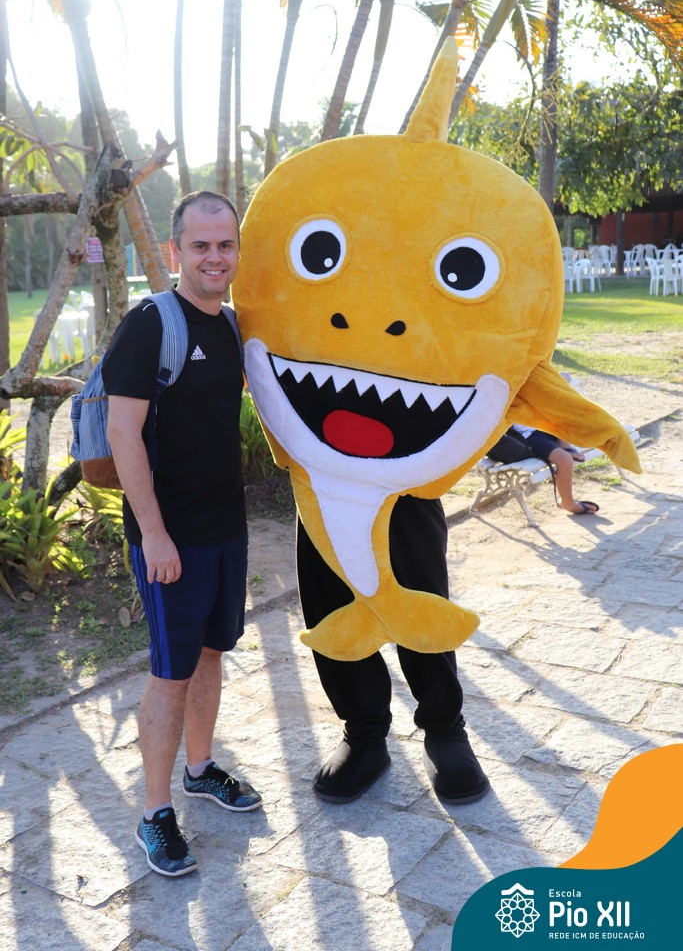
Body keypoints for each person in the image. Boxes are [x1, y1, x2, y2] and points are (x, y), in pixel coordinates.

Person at [104, 190, 261, 879]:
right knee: (169, 674)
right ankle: (154, 812)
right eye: (200, 246)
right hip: (171, 538)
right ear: (176, 252)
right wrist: (154, 535)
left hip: (225, 528)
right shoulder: (150, 324)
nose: (214, 257)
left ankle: (199, 770)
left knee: (210, 655)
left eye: (225, 245)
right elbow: (122, 433)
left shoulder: (229, 326)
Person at [296, 494, 490, 805]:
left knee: (420, 592)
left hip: (405, 477)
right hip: (319, 478)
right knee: (331, 603)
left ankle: (444, 727)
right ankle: (364, 732)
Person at [511, 425, 599, 515]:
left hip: (543, 428)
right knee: (564, 459)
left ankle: (563, 442)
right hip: (524, 438)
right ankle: (568, 503)